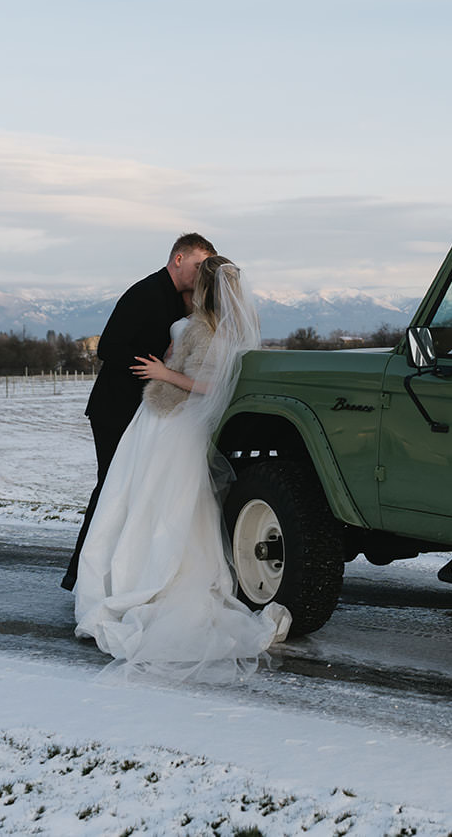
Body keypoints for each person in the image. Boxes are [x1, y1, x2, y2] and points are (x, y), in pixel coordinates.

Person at [73, 255, 290, 681]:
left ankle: (143, 579)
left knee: (156, 500)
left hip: (173, 424)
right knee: (152, 500)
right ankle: (143, 573)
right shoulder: (216, 327)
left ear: (204, 287)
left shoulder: (207, 330)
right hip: (167, 423)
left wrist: (163, 373)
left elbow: (212, 385)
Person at [61, 233, 215, 591]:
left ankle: (123, 573)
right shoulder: (144, 293)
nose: (200, 273)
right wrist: (156, 365)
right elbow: (109, 347)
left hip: (149, 414)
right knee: (110, 489)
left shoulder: (182, 300)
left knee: (134, 492)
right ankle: (80, 575)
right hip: (115, 408)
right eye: (197, 265)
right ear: (178, 259)